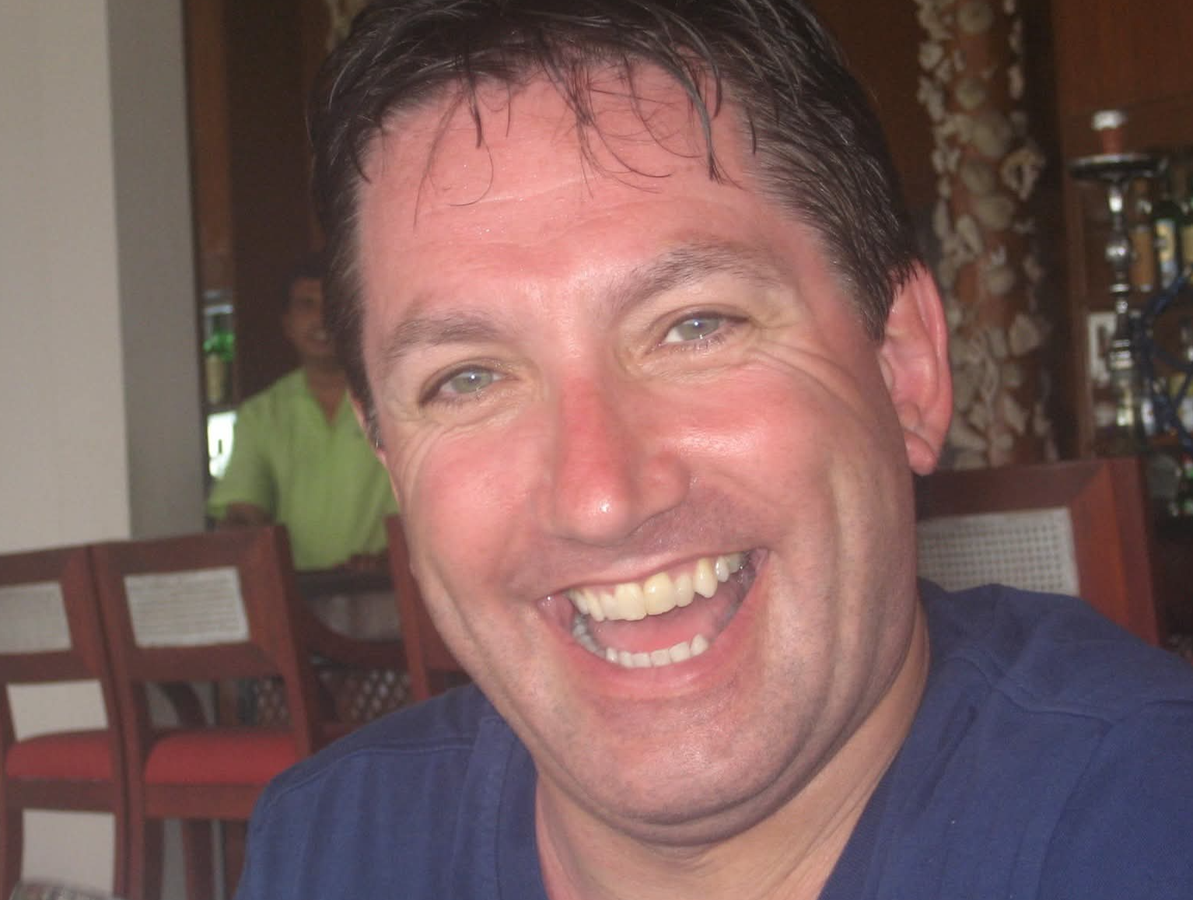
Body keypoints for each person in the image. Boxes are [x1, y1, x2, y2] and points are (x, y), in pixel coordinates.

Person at [235, 2, 1193, 898]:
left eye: (695, 325)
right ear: (391, 461)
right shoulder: (332, 847)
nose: (598, 498)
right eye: (468, 378)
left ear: (903, 367)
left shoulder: (1149, 825)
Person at [207, 257, 398, 572]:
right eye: (306, 305)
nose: (321, 318)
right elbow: (244, 510)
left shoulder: (396, 399)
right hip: (301, 591)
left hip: (395, 583)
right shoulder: (262, 414)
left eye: (332, 304)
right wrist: (232, 538)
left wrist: (394, 557)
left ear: (354, 316)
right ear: (287, 324)